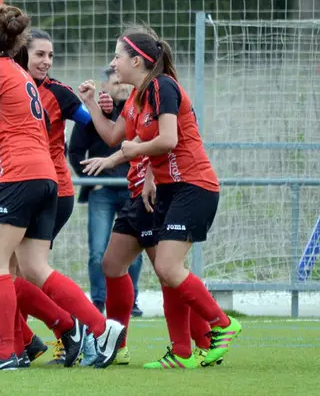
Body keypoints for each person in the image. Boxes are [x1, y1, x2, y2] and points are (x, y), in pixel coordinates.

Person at [0, 5, 125, 371]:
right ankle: (100, 325)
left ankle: (6, 354)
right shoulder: (16, 72)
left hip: (16, 176)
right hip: (46, 177)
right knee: (33, 267)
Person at [80, 25, 241, 369]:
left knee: (168, 268)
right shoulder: (140, 96)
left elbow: (168, 139)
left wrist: (136, 151)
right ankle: (180, 351)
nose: (113, 63)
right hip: (165, 190)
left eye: (117, 56)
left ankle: (219, 327)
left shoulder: (162, 86)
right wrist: (92, 105)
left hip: (193, 186)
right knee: (115, 264)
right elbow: (114, 138)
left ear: (137, 61)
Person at [68, 67, 144, 317]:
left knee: (132, 252)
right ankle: (99, 301)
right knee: (98, 250)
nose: (122, 86)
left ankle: (130, 302)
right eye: (115, 82)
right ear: (105, 85)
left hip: (132, 190)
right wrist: (92, 180)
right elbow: (75, 151)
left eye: (123, 83)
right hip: (102, 193)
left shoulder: (136, 109)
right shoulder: (94, 114)